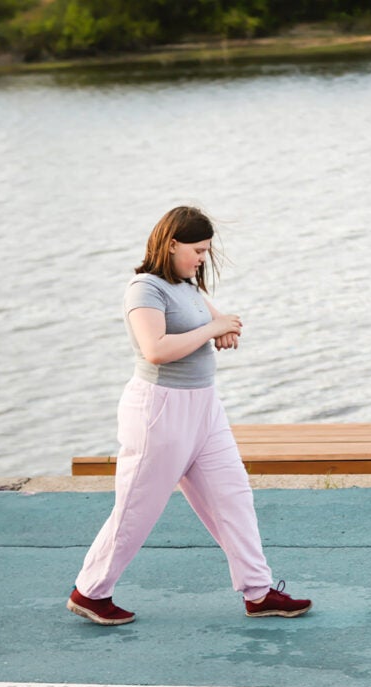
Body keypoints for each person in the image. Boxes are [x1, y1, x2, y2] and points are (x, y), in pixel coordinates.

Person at [67, 206, 312, 626]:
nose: (202, 258)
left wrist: (225, 324)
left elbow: (213, 320)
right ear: (171, 243)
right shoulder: (144, 289)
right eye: (197, 250)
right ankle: (90, 592)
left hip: (205, 409)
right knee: (137, 508)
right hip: (159, 410)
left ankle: (258, 592)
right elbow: (156, 349)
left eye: (206, 251)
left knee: (233, 497)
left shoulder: (185, 285)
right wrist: (212, 330)